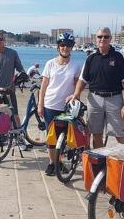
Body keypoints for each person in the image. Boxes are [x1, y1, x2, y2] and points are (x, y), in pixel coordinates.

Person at [71, 27, 124, 149]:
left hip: (115, 99)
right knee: (96, 134)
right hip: (94, 100)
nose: (103, 39)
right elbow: (82, 80)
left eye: (106, 36)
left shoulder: (119, 57)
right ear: (96, 39)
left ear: (110, 38)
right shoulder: (90, 58)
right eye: (100, 36)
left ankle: (123, 165)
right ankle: (99, 165)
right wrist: (75, 94)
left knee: (121, 135)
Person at [38, 33, 81, 176]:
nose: (65, 48)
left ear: (72, 48)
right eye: (62, 45)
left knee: (64, 138)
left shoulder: (75, 66)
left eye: (68, 45)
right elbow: (43, 86)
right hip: (50, 105)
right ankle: (52, 163)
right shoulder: (50, 64)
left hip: (66, 107)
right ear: (58, 47)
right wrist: (40, 104)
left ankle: (60, 161)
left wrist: (76, 102)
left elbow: (77, 86)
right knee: (51, 137)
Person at [0, 31, 29, 151]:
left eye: (0, 39)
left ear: (4, 40)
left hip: (9, 89)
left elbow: (19, 68)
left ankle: (19, 138)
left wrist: (23, 75)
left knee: (14, 114)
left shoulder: (13, 53)